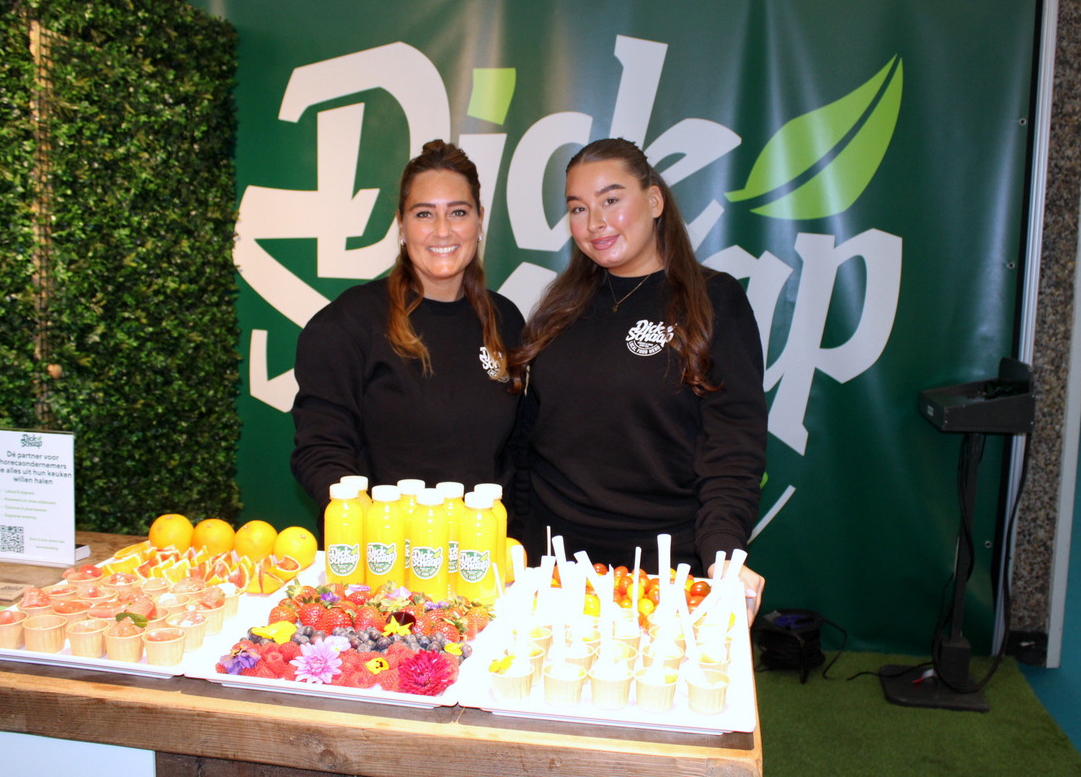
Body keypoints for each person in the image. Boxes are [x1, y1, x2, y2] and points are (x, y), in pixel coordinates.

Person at [510, 137, 767, 620]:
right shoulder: (559, 308)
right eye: (578, 208)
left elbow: (733, 445)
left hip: (663, 569)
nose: (595, 222)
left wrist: (722, 554)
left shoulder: (714, 300)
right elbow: (528, 440)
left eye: (611, 200)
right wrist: (516, 542)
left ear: (654, 201)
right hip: (556, 565)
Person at [290, 140, 524, 510]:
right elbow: (321, 451)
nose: (443, 231)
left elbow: (518, 455)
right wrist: (366, 526)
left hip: (483, 542)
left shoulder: (505, 319)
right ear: (402, 224)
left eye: (458, 212)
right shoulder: (349, 322)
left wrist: (512, 536)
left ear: (479, 219)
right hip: (382, 542)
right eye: (424, 214)